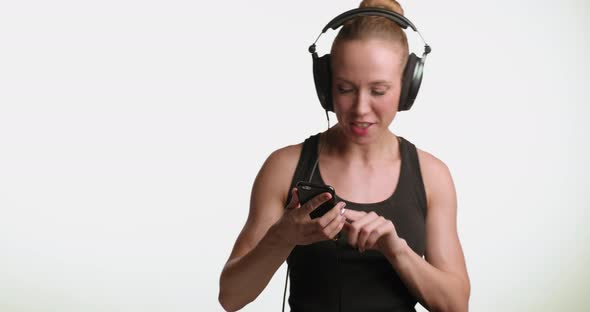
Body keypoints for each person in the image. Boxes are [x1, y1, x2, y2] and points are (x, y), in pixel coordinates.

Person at [218, 0, 470, 311]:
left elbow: (456, 306)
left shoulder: (432, 175)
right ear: (325, 86)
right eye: (345, 88)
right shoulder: (284, 167)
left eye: (378, 91)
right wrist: (281, 236)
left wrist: (396, 251)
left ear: (407, 88)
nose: (361, 108)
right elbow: (230, 297)